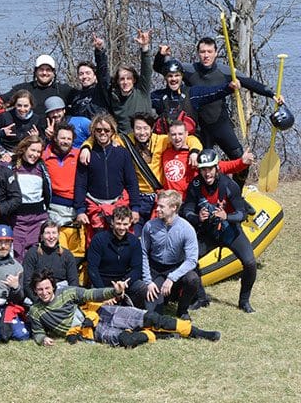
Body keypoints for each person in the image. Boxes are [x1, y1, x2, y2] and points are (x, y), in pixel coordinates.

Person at [28, 272, 220, 347]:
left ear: (52, 286)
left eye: (47, 288)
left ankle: (199, 333)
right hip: (92, 331)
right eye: (40, 290)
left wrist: (114, 291)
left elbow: (92, 294)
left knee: (152, 318)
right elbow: (37, 332)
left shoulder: (67, 292)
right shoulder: (36, 311)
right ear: (35, 292)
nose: (44, 292)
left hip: (102, 312)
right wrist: (42, 338)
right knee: (126, 340)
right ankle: (161, 336)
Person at [176, 37, 284, 162]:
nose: (206, 55)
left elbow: (251, 83)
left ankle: (237, 183)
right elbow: (165, 68)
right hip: (200, 129)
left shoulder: (226, 71)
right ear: (197, 53)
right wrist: (162, 56)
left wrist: (272, 94)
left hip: (221, 125)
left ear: (216, 53)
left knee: (242, 160)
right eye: (202, 52)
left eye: (209, 52)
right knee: (201, 166)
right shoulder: (188, 70)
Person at [183, 149, 258, 313]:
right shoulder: (195, 185)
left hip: (230, 231)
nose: (207, 173)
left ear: (217, 167)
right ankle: (201, 298)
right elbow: (186, 210)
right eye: (203, 169)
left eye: (210, 168)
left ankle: (244, 301)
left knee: (250, 263)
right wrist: (197, 217)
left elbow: (242, 213)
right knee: (188, 260)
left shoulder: (229, 185)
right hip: (207, 233)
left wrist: (226, 216)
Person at [73, 114, 141, 245]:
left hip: (119, 205)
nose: (102, 133)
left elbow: (132, 182)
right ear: (93, 132)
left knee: (122, 244)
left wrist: (135, 208)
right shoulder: (86, 154)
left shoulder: (122, 153)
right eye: (98, 130)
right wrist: (80, 210)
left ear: (112, 132)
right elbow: (80, 184)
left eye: (106, 130)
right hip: (95, 206)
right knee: (97, 245)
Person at [141, 190, 201, 318]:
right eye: (158, 205)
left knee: (193, 279)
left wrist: (172, 277)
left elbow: (191, 260)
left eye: (161, 206)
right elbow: (143, 253)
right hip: (155, 269)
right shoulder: (149, 226)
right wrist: (148, 281)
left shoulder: (187, 229)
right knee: (153, 313)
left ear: (174, 208)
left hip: (176, 268)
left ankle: (182, 309)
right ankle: (163, 299)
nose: (157, 209)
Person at [85, 206, 147, 305]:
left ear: (130, 223)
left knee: (141, 287)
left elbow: (137, 269)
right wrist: (103, 293)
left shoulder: (134, 242)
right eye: (118, 223)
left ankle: (133, 312)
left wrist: (125, 282)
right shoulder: (99, 239)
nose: (122, 227)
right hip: (102, 281)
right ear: (112, 223)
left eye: (125, 224)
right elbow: (92, 268)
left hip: (122, 281)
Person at [10, 136, 51, 260]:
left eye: (38, 152)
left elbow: (47, 191)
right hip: (17, 219)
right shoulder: (12, 165)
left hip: (37, 218)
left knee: (35, 253)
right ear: (24, 149)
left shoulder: (41, 167)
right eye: (32, 150)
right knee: (17, 253)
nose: (35, 154)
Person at [108, 30, 154, 132]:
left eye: (129, 78)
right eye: (122, 79)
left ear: (134, 80)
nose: (125, 82)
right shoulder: (114, 98)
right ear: (117, 81)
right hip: (124, 141)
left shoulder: (141, 92)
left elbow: (146, 70)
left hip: (144, 137)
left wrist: (145, 47)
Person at [21, 220, 79, 300]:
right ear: (41, 236)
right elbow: (27, 283)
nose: (51, 237)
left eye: (54, 233)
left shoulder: (67, 255)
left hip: (62, 298)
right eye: (47, 233)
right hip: (38, 297)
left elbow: (74, 282)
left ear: (58, 235)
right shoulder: (32, 253)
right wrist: (38, 301)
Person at [2, 53, 72, 116]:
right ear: (35, 71)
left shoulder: (63, 90)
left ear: (53, 73)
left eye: (48, 70)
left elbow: (80, 98)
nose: (44, 73)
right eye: (41, 69)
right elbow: (2, 100)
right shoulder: (23, 89)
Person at [65, 34, 110, 118]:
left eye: (88, 73)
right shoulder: (75, 97)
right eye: (81, 74)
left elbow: (103, 71)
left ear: (95, 75)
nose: (84, 76)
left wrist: (99, 52)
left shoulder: (102, 91)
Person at [0, 89, 43, 155]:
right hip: (6, 152)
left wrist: (36, 137)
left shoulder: (36, 119)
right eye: (19, 105)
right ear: (15, 104)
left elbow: (42, 141)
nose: (22, 109)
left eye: (26, 106)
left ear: (31, 105)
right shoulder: (5, 116)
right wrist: (1, 133)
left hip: (26, 153)